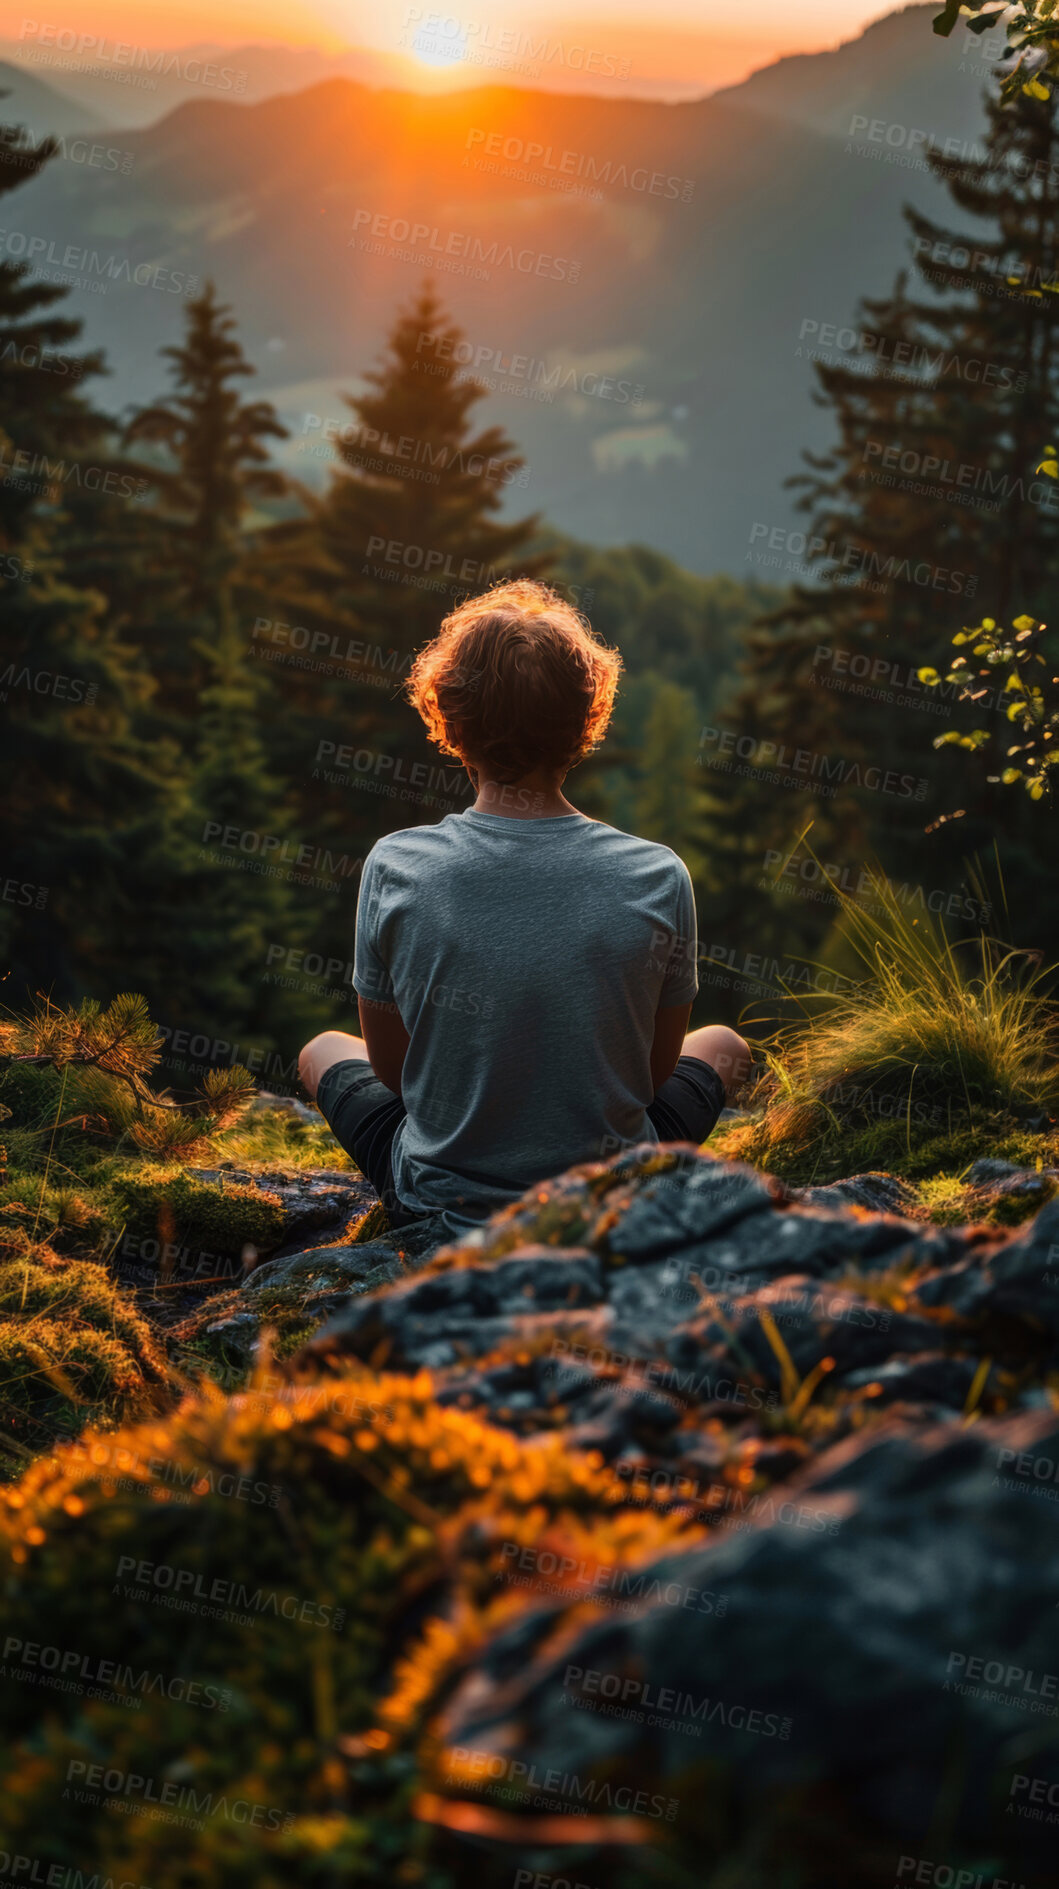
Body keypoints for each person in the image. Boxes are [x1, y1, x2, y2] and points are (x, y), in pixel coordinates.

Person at [298, 578, 751, 1235]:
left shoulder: (395, 864)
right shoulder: (658, 874)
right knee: (723, 1043)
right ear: (585, 720)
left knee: (321, 1049)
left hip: (437, 1203)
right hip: (611, 1205)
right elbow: (649, 1080)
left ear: (450, 719)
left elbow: (396, 1076)